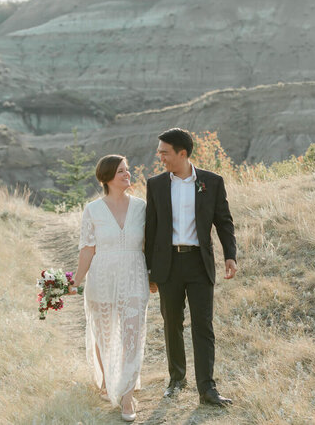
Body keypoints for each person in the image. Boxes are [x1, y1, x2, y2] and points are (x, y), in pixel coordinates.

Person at [144, 128, 238, 407]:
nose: (159, 156)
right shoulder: (156, 184)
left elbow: (224, 221)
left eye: (164, 152)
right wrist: (150, 270)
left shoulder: (212, 181)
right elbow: (151, 228)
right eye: (160, 151)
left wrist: (229, 255)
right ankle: (176, 379)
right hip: (168, 264)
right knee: (172, 322)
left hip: (199, 263)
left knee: (203, 326)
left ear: (182, 153)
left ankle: (207, 388)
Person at [71, 154, 149, 422]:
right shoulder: (92, 209)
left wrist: (154, 278)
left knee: (131, 335)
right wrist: (76, 280)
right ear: (106, 177)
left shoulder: (142, 207)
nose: (127, 175)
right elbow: (87, 249)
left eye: (127, 170)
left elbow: (150, 246)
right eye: (120, 172)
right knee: (104, 335)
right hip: (102, 277)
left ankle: (127, 396)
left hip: (133, 275)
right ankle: (107, 380)